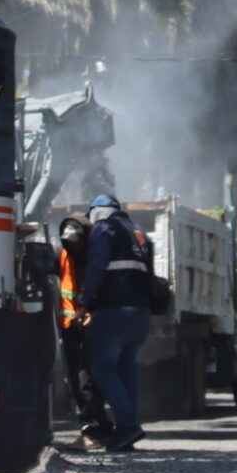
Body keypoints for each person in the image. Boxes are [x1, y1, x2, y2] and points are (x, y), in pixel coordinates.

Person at [78, 194, 155, 452]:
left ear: (97, 211)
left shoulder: (104, 228)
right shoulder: (139, 231)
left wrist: (84, 302)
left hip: (115, 310)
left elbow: (97, 266)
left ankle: (129, 425)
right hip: (141, 312)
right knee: (126, 371)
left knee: (102, 369)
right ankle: (126, 430)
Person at [55, 215, 111, 443]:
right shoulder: (64, 256)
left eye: (77, 240)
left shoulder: (95, 258)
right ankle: (102, 429)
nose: (72, 244)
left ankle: (94, 431)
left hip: (91, 326)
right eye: (69, 240)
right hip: (72, 328)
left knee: (86, 379)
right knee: (81, 380)